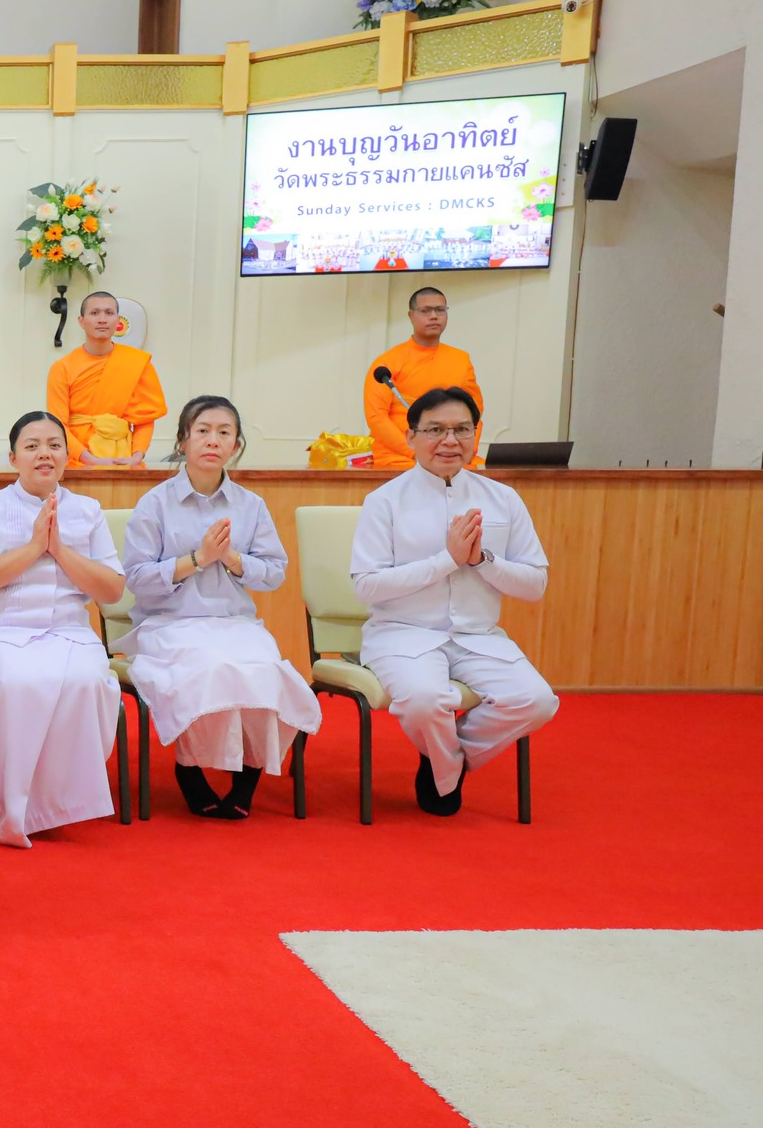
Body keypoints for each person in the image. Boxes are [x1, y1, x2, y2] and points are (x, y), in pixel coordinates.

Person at [351, 386, 558, 816]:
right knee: (426, 701)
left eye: (462, 429)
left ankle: (444, 759)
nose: (450, 441)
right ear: (411, 438)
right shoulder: (384, 502)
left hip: (477, 636)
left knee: (537, 701)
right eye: (436, 430)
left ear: (475, 435)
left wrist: (482, 559)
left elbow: (535, 584)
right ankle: (444, 762)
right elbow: (368, 586)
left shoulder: (503, 499)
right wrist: (447, 560)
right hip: (402, 634)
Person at [117, 396, 321, 819]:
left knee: (265, 669)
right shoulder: (155, 504)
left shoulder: (251, 505)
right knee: (210, 669)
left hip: (234, 622)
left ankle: (248, 775)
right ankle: (189, 769)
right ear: (183, 440)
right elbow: (134, 578)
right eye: (203, 431)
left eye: (224, 432)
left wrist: (232, 560)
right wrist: (198, 558)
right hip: (171, 623)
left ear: (236, 444)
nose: (213, 440)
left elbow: (275, 573)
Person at [0, 411, 126, 845]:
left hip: (69, 631)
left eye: (53, 445)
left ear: (68, 457)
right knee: (20, 681)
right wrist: (33, 547)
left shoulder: (87, 510)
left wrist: (60, 550)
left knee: (87, 681)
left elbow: (112, 591)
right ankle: (10, 808)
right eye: (31, 446)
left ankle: (58, 804)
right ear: (13, 458)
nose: (43, 454)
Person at [45, 290, 167, 467]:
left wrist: (136, 457)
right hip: (77, 461)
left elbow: (145, 419)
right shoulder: (62, 368)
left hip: (124, 460)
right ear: (81, 321)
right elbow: (57, 424)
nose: (102, 319)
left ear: (118, 321)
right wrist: (89, 459)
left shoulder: (137, 363)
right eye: (94, 313)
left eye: (109, 313)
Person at [365, 287, 483, 469]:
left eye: (440, 310)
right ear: (411, 315)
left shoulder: (461, 359)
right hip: (402, 457)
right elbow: (376, 417)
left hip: (452, 454)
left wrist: (466, 451)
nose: (434, 316)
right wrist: (416, 451)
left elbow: (475, 413)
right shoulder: (387, 363)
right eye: (426, 311)